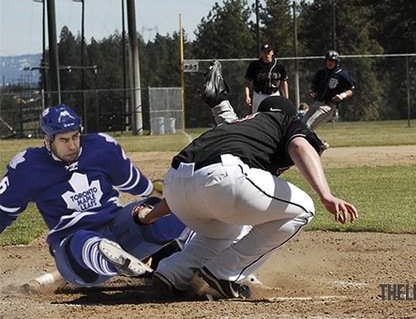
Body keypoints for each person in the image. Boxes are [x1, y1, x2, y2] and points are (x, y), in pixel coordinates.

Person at [143, 63, 358, 299]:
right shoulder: (285, 121)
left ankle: (172, 272)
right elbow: (299, 145)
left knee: (227, 231)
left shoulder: (238, 127)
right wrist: (325, 195)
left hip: (175, 184)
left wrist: (152, 215)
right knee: (304, 209)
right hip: (220, 179)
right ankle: (224, 272)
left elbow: (191, 182)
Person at [0, 105, 190, 288]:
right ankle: (111, 259)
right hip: (73, 248)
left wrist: (153, 195)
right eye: (64, 140)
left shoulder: (101, 148)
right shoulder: (27, 168)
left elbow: (133, 182)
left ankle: (187, 259)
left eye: (75, 136)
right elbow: (3, 211)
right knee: (84, 241)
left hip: (116, 225)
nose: (73, 145)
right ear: (47, 140)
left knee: (150, 213)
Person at [302, 50, 356, 130]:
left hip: (328, 106)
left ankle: (316, 143)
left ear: (337, 62)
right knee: (301, 125)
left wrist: (342, 95)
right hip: (317, 103)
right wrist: (312, 91)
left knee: (307, 126)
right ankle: (319, 143)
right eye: (328, 60)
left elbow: (352, 89)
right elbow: (314, 86)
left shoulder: (341, 75)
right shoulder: (321, 73)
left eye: (333, 61)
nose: (330, 62)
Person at [244, 43, 289, 113]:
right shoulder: (255, 65)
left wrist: (286, 97)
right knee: (256, 116)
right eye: (264, 52)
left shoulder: (279, 65)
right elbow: (247, 82)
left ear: (272, 52)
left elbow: (284, 82)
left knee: (276, 115)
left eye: (268, 52)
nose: (267, 54)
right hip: (259, 95)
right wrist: (247, 95)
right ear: (261, 53)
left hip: (274, 94)